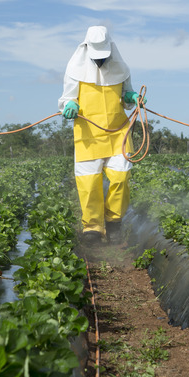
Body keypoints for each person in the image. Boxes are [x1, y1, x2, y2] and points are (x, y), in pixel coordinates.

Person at [58, 26, 144, 243]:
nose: (100, 62)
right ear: (86, 49)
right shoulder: (74, 69)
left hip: (118, 133)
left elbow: (125, 97)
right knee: (89, 183)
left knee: (121, 178)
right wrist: (69, 105)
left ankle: (114, 221)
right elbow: (67, 98)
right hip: (88, 134)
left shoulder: (121, 68)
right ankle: (93, 228)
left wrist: (131, 96)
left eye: (103, 57)